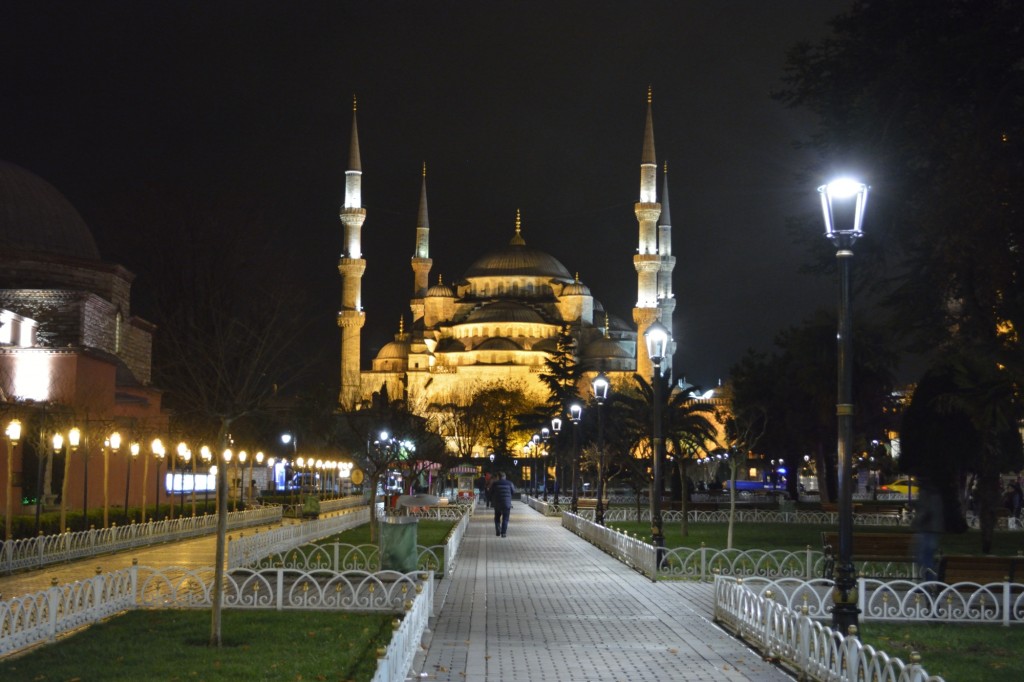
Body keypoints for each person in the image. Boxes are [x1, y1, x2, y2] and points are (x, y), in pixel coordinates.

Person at [912, 484, 944, 581]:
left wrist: (915, 522)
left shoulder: (926, 492)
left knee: (924, 558)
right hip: (934, 530)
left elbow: (925, 511)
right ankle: (929, 582)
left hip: (927, 530)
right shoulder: (937, 494)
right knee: (927, 557)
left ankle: (929, 583)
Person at [489, 471, 515, 537]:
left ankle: (498, 531)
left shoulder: (495, 484)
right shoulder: (510, 483)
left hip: (497, 504)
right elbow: (513, 492)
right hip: (506, 504)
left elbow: (490, 492)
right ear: (505, 477)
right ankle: (503, 533)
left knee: (497, 518)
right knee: (505, 519)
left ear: (498, 477)